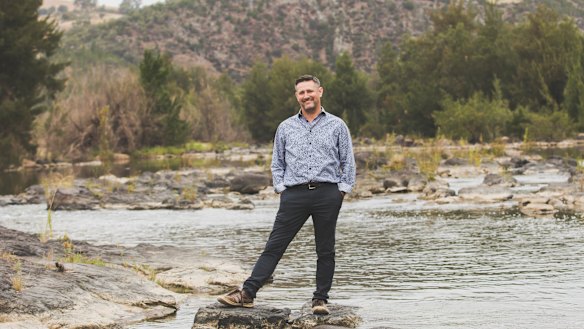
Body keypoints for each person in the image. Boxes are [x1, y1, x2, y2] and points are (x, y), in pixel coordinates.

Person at [217, 74, 356, 315]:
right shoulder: (285, 127)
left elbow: (348, 162)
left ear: (320, 92)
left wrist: (341, 191)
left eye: (310, 91)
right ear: (297, 96)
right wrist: (281, 188)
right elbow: (277, 163)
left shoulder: (337, 125)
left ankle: (320, 300)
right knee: (274, 246)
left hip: (327, 194)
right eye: (301, 93)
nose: (306, 96)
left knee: (325, 249)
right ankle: (247, 293)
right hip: (294, 195)